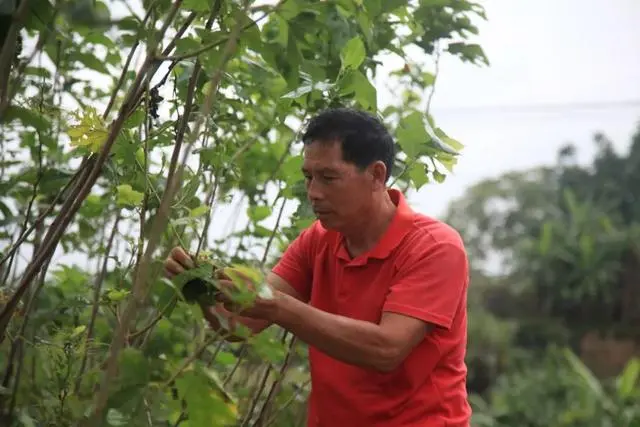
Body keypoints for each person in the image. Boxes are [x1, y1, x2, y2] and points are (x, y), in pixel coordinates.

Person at [163, 107, 471, 426]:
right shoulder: (318, 240)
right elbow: (239, 325)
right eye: (308, 177)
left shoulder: (434, 247)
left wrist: (278, 307)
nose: (314, 193)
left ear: (377, 175)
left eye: (328, 178)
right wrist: (200, 287)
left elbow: (386, 349)